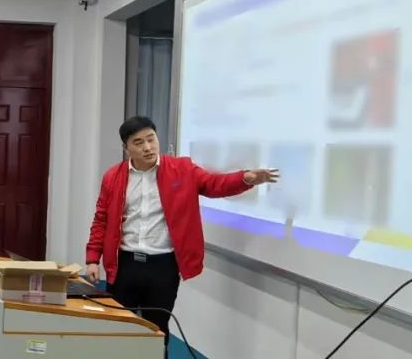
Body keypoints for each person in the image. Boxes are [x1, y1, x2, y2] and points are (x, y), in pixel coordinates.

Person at [85, 116, 279, 353]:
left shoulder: (183, 169)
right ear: (126, 148)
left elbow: (214, 183)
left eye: (151, 139)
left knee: (156, 330)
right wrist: (93, 258)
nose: (147, 147)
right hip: (124, 264)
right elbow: (101, 219)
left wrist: (245, 178)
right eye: (138, 142)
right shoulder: (113, 177)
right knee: (119, 328)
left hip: (163, 266)